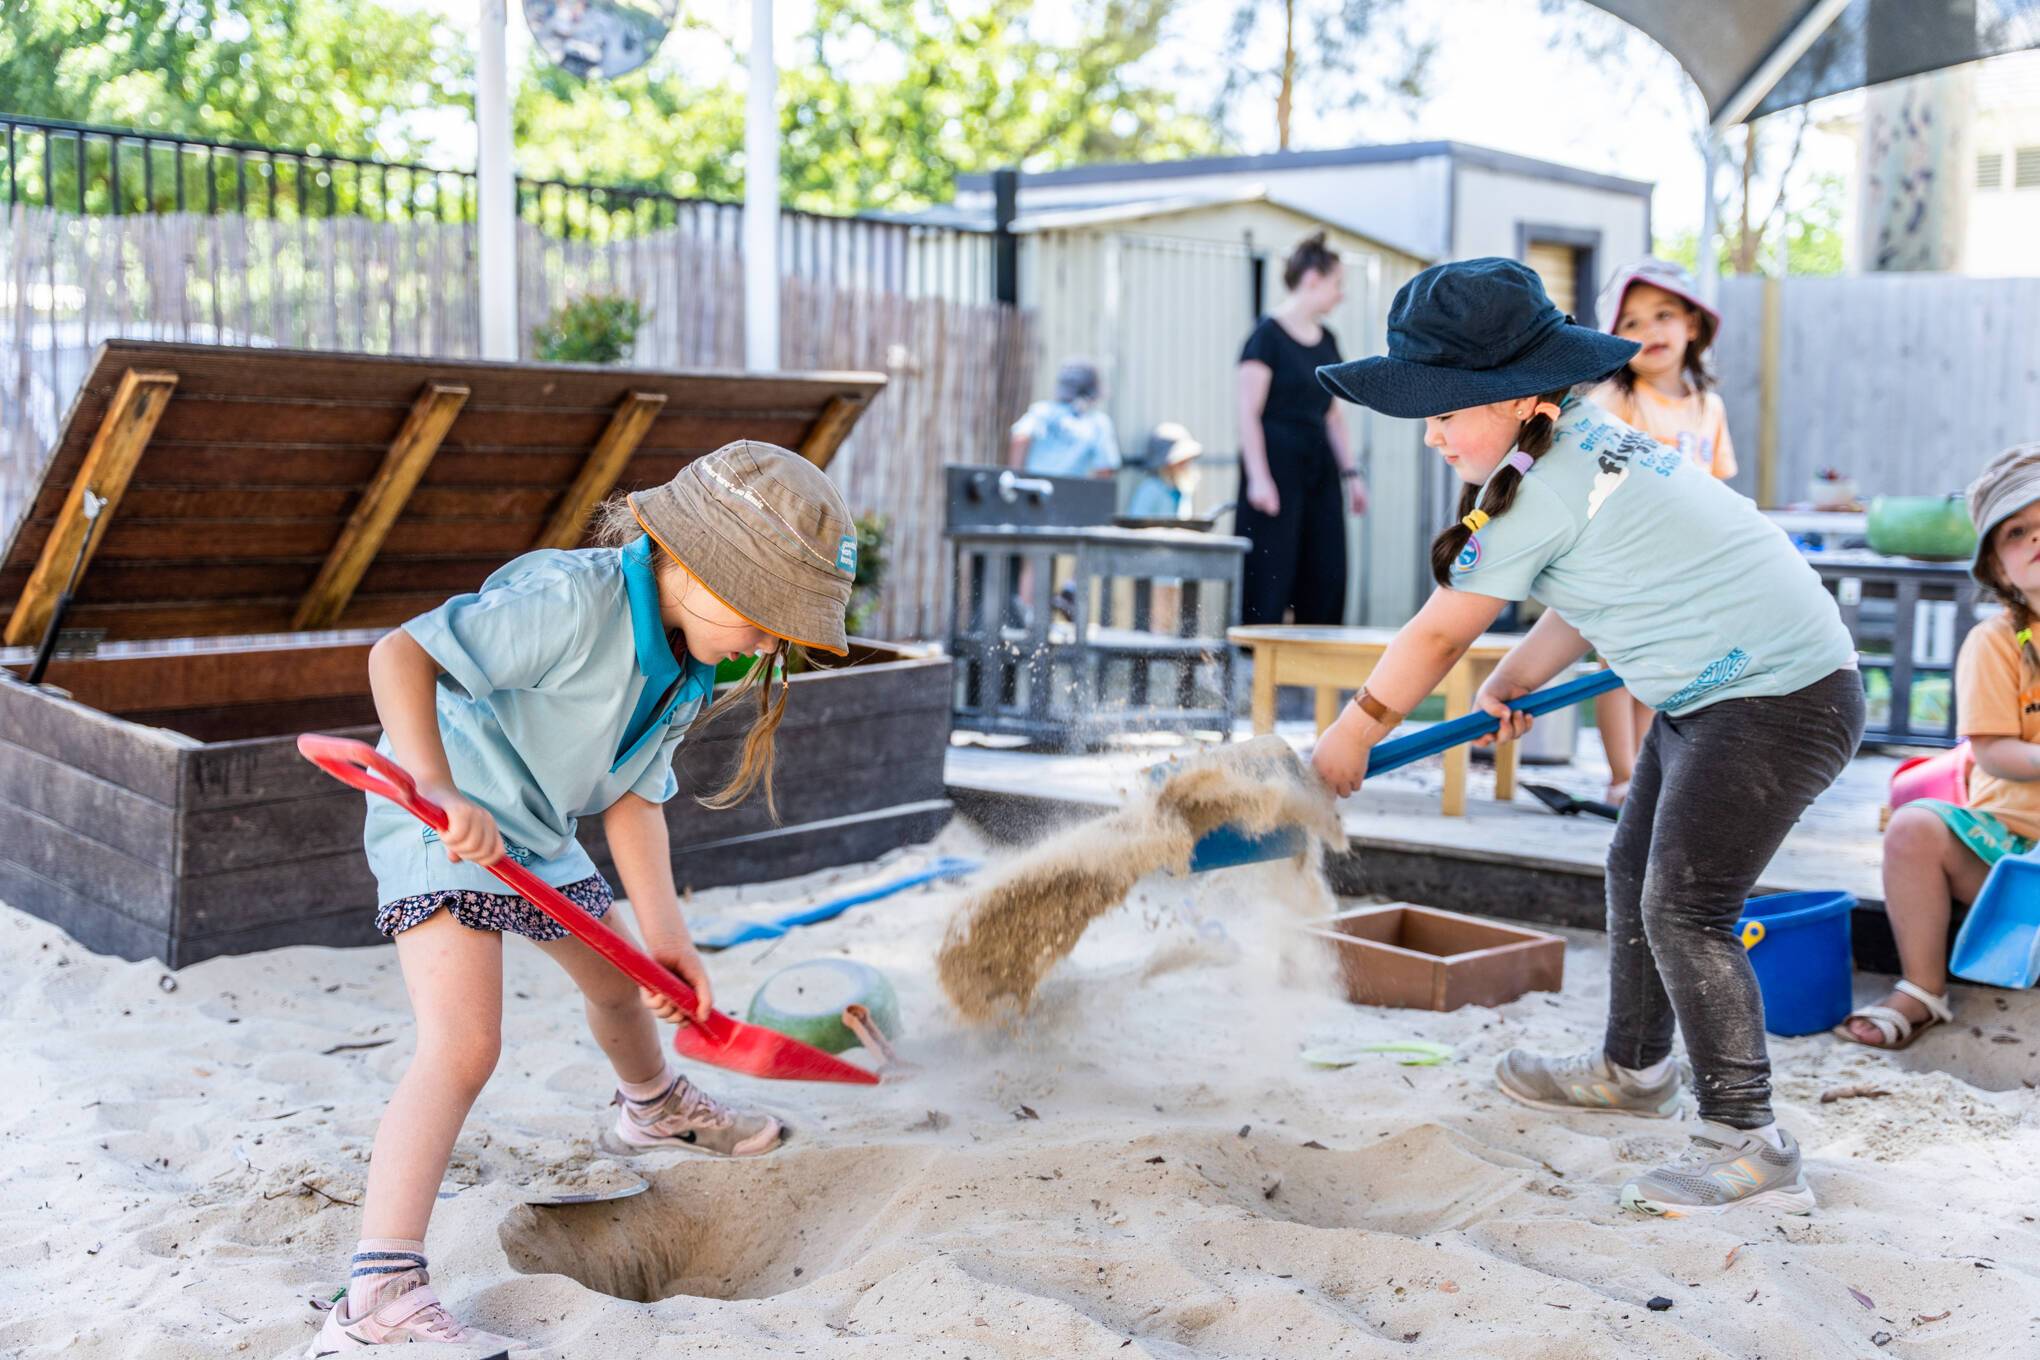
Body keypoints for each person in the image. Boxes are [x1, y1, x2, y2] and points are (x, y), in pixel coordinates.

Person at [1310, 258, 1863, 1219]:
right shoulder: (1587, 445)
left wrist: (1356, 731)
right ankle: (1633, 1068)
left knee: (1687, 908)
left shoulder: (1550, 482)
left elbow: (1439, 629)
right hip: (1721, 690)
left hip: (1775, 700)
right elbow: (1593, 588)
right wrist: (1521, 676)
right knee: (1633, 870)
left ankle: (1749, 1138)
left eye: (1446, 411)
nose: (1433, 435)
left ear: (1522, 398)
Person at [308, 442, 857, 1353]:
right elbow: (399, 656)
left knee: (616, 983)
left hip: (533, 830)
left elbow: (635, 797)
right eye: (764, 617)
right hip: (436, 821)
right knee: (465, 1043)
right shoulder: (573, 599)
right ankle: (377, 1294)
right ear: (695, 564)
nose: (768, 644)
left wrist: (664, 937)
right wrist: (440, 790)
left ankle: (650, 1109)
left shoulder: (688, 663)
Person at [1840, 443, 2040, 1049]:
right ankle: (1923, 987)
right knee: (1914, 828)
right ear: (1999, 571)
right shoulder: (1999, 641)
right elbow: (1993, 750)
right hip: (2008, 853)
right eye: (2017, 532)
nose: (2036, 539)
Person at [1586, 258, 1738, 807]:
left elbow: (1719, 491)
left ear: (1692, 325)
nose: (1649, 331)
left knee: (1664, 671)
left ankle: (1649, 774)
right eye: (1631, 322)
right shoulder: (1616, 402)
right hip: (1625, 557)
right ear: (1614, 339)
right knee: (1615, 669)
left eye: (1663, 315)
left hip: (1686, 565)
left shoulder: (1707, 407)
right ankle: (1621, 775)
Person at [1236, 232, 1368, 625]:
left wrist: (1352, 474)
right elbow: (1247, 413)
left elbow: (1332, 414)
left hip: (1319, 469)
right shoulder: (1266, 338)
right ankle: (1259, 673)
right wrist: (1259, 479)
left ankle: (1316, 676)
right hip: (1276, 470)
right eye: (1337, 283)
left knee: (1326, 569)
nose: (1340, 294)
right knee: (1272, 571)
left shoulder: (1328, 339)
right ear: (1312, 279)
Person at [1008, 359, 1120, 479]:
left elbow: (1020, 439)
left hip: (1035, 490)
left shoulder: (1042, 410)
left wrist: (1017, 479)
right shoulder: (1098, 422)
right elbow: (1105, 468)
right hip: (1072, 492)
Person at [1123, 422, 1203, 520]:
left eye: (1187, 459)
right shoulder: (1151, 489)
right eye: (1181, 461)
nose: (1186, 464)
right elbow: (1136, 524)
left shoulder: (1183, 489)